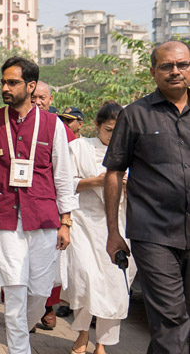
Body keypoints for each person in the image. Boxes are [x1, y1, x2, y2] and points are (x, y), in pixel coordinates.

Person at [0, 56, 78, 354]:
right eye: (3, 81)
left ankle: (22, 335)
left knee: (39, 292)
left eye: (12, 82)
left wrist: (66, 222)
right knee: (14, 290)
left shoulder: (52, 124)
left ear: (30, 86)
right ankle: (20, 350)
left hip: (44, 217)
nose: (5, 87)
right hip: (5, 219)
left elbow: (64, 177)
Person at [103, 40, 190, 354]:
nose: (175, 71)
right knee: (171, 320)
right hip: (153, 233)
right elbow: (114, 172)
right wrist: (113, 232)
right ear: (154, 71)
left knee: (178, 325)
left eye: (182, 65)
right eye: (167, 66)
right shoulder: (135, 115)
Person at [62, 101, 135, 354]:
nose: (113, 136)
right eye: (108, 130)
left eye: (118, 132)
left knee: (114, 285)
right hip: (84, 222)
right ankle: (82, 334)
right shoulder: (78, 147)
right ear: (96, 125)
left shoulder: (133, 152)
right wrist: (96, 181)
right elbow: (63, 183)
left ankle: (102, 342)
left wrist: (127, 186)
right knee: (85, 279)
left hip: (120, 225)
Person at [30, 79, 74, 326]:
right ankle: (24, 317)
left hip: (52, 206)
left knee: (49, 263)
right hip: (22, 205)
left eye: (42, 98)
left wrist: (66, 217)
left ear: (50, 100)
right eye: (33, 97)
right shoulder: (17, 124)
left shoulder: (59, 128)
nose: (37, 102)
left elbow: (70, 171)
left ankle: (47, 307)